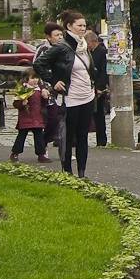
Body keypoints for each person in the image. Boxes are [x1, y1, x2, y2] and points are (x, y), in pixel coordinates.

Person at [33, 10, 97, 178]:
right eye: (79, 25)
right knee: (68, 136)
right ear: (69, 26)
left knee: (83, 136)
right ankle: (67, 171)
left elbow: (88, 69)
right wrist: (53, 81)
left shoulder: (84, 45)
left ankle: (82, 173)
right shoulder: (62, 47)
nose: (83, 28)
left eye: (84, 25)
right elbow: (39, 64)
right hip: (71, 97)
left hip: (87, 96)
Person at [10, 67, 50, 163]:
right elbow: (16, 103)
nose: (35, 80)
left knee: (39, 137)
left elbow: (44, 104)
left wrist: (45, 97)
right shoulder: (23, 89)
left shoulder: (40, 89)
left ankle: (41, 154)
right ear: (26, 79)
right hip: (26, 117)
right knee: (21, 136)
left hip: (37, 117)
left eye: (36, 78)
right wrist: (22, 104)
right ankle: (15, 153)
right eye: (32, 78)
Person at [85, 31, 109, 147]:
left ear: (93, 42)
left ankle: (102, 140)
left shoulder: (102, 52)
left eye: (87, 43)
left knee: (99, 114)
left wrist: (100, 87)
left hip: (99, 88)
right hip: (90, 87)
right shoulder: (90, 52)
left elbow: (104, 71)